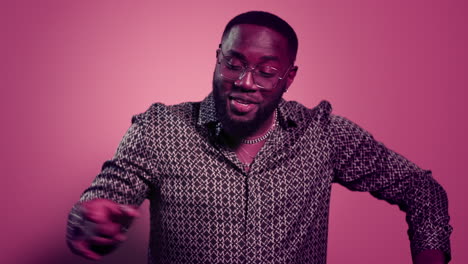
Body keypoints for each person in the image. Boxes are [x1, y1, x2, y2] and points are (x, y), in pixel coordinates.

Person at [66, 11, 452, 264]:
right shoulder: (161, 128)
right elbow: (108, 193)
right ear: (218, 58)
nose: (245, 82)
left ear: (289, 77)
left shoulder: (322, 134)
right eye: (234, 63)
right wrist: (90, 217)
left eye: (267, 70)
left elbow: (420, 188)